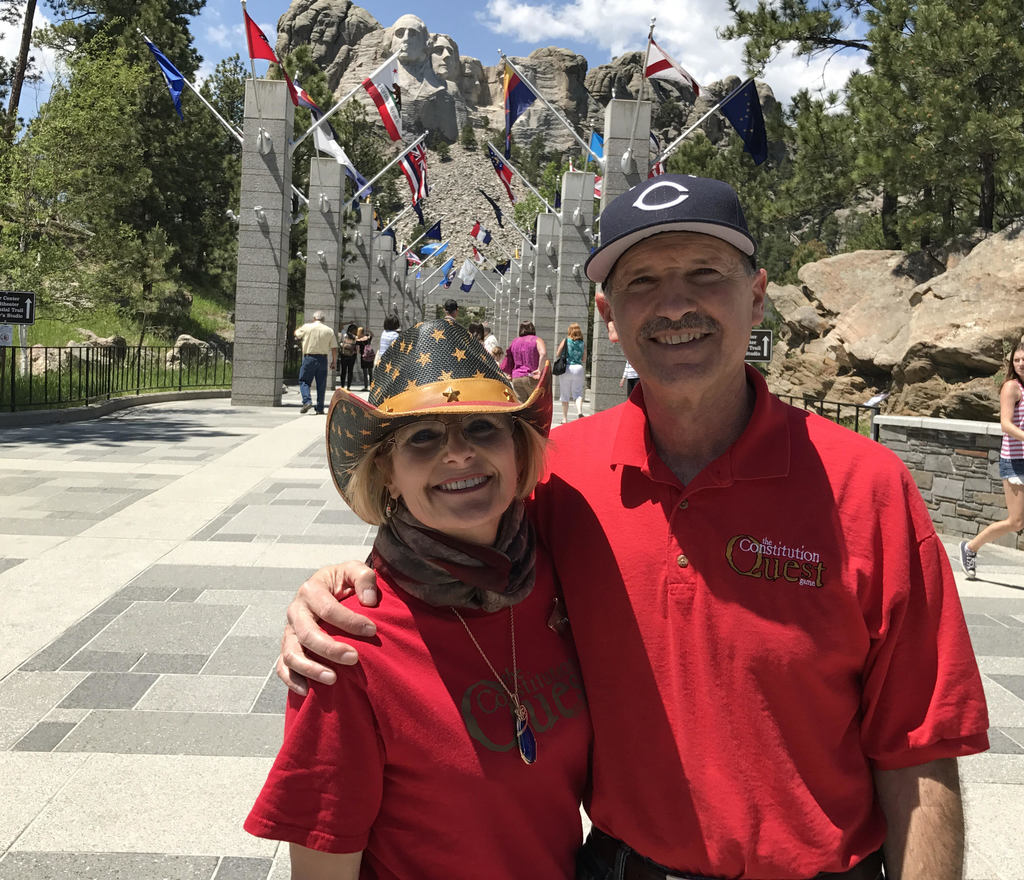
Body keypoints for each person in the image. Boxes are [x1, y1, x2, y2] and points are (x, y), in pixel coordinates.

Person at [277, 175, 989, 880]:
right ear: (608, 314)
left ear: (757, 294)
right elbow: (452, 546)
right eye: (642, 281)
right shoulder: (558, 480)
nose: (675, 304)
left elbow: (922, 747)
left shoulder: (867, 487)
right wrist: (336, 591)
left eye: (705, 273)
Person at [245, 320, 590, 879]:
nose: (458, 453)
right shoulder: (345, 648)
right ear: (387, 473)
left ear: (518, 452)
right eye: (423, 437)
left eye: (483, 427)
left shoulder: (559, 575)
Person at [960, 334, 1024, 579]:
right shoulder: (1011, 387)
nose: (1020, 364)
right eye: (1016, 360)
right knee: (1016, 522)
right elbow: (1006, 424)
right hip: (1015, 461)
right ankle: (970, 547)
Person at [293, 311, 337, 415]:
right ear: (323, 320)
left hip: (309, 358)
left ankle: (307, 401)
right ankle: (320, 408)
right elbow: (334, 348)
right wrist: (334, 362)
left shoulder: (307, 327)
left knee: (304, 381)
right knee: (321, 384)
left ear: (314, 318)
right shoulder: (329, 330)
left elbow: (297, 334)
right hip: (322, 359)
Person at [501, 321, 547, 403]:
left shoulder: (515, 342)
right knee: (536, 403)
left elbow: (509, 357)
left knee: (521, 405)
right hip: (531, 376)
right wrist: (539, 370)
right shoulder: (537, 340)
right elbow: (543, 354)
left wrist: (510, 374)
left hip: (516, 377)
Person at [554, 322, 587, 425]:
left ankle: (564, 418)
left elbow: (558, 353)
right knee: (578, 393)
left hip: (567, 368)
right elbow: (584, 359)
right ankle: (579, 412)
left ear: (569, 331)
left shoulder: (566, 340)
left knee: (565, 393)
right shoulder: (582, 343)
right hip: (578, 368)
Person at [337, 323, 358, 390]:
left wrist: (344, 346)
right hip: (352, 355)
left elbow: (340, 343)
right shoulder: (355, 337)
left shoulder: (344, 335)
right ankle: (348, 386)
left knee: (343, 371)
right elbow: (357, 347)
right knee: (350, 371)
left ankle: (342, 386)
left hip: (344, 355)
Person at [354, 326, 374, 391]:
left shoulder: (358, 340)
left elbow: (357, 350)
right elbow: (372, 335)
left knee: (365, 373)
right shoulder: (367, 338)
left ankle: (366, 387)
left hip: (364, 357)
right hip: (370, 357)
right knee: (370, 372)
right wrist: (369, 330)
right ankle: (372, 387)